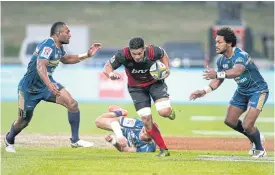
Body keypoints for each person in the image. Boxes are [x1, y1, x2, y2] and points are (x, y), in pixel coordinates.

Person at [4, 21, 102, 153]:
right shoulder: (48, 46)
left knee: (72, 104)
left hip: (46, 86)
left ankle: (75, 140)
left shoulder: (58, 47)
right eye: (67, 32)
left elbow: (66, 59)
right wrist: (49, 85)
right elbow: (40, 66)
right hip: (28, 90)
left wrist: (88, 55)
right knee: (23, 121)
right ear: (58, 33)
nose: (70, 35)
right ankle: (9, 139)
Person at [189, 27, 268, 158]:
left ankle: (259, 149)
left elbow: (237, 71)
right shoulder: (221, 60)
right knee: (230, 120)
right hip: (242, 91)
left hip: (258, 91)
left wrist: (217, 74)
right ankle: (257, 137)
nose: (216, 45)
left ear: (229, 43)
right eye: (216, 42)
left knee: (248, 124)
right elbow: (218, 80)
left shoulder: (241, 55)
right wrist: (204, 91)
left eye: (219, 42)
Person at [102, 37, 175, 156]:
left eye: (139, 53)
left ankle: (170, 112)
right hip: (136, 89)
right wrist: (110, 74)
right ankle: (164, 150)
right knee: (146, 120)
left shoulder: (152, 51)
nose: (136, 57)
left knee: (164, 112)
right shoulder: (123, 54)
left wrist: (167, 68)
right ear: (129, 51)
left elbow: (163, 54)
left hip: (155, 83)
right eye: (134, 53)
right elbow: (108, 66)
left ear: (144, 48)